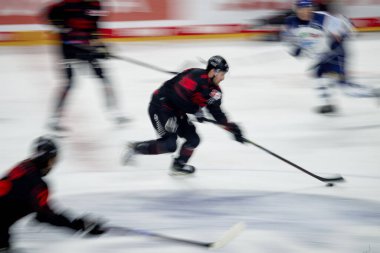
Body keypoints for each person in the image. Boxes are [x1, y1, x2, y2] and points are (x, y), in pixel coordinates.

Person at [122, 56, 245, 175]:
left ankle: (179, 165)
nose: (223, 78)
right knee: (169, 145)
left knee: (193, 139)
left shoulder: (215, 92)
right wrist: (195, 110)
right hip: (161, 106)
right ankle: (135, 148)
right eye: (222, 74)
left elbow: (216, 113)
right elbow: (177, 97)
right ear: (213, 71)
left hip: (178, 111)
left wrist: (231, 128)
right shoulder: (194, 76)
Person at [0, 136, 106, 251]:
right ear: (48, 160)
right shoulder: (38, 185)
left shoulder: (22, 168)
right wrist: (80, 225)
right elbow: (46, 215)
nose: (53, 165)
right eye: (54, 160)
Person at [44, 0, 127, 131]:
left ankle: (116, 113)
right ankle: (55, 118)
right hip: (68, 50)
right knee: (69, 83)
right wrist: (58, 25)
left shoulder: (96, 5)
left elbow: (94, 29)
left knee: (104, 78)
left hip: (86, 48)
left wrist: (101, 47)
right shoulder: (67, 4)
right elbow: (49, 12)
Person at [284, 0, 377, 114]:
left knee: (346, 88)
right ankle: (327, 104)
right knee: (318, 75)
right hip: (322, 55)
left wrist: (342, 34)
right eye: (302, 9)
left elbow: (346, 25)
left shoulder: (323, 18)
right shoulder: (291, 22)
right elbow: (290, 39)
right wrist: (295, 49)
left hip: (335, 54)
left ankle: (375, 93)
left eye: (308, 9)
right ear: (296, 10)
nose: (305, 12)